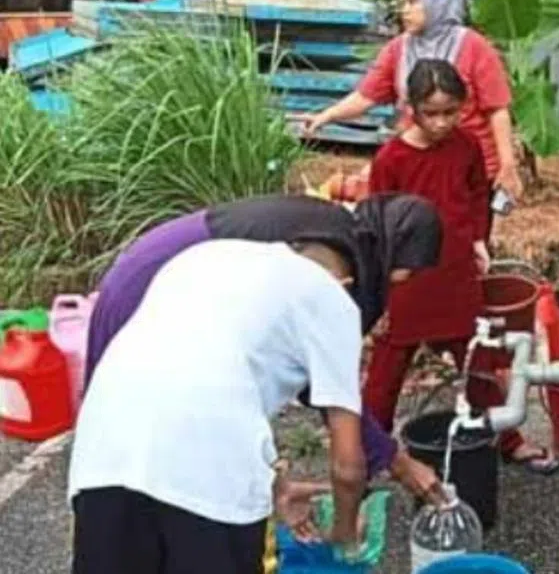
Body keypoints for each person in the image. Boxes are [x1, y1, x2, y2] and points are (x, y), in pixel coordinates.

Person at [83, 193, 449, 519]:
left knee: (132, 442)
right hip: (149, 283)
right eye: (411, 266)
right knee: (130, 442)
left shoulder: (345, 232)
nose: (407, 278)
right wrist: (394, 462)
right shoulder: (333, 256)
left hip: (151, 264)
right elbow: (322, 382)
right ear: (397, 243)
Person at [69, 239, 367, 573]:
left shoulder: (204, 257)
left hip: (105, 447)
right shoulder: (331, 297)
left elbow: (202, 377)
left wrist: (276, 487)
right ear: (346, 284)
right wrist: (344, 535)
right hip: (209, 479)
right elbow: (348, 467)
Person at [364, 58, 559, 474]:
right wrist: (378, 294)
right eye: (430, 113)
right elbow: (376, 226)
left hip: (455, 272)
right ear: (410, 108)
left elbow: (473, 194)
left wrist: (476, 241)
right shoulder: (390, 160)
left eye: (449, 112)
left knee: (478, 361)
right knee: (386, 373)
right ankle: (369, 452)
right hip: (409, 281)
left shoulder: (466, 145)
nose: (440, 123)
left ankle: (508, 439)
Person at [303, 0, 524, 234]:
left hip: (468, 164)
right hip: (417, 159)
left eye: (413, 2)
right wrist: (325, 116)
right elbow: (366, 96)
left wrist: (507, 165)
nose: (404, 10)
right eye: (403, 3)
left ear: (437, 3)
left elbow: (497, 109)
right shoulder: (398, 49)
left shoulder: (475, 47)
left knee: (465, 234)